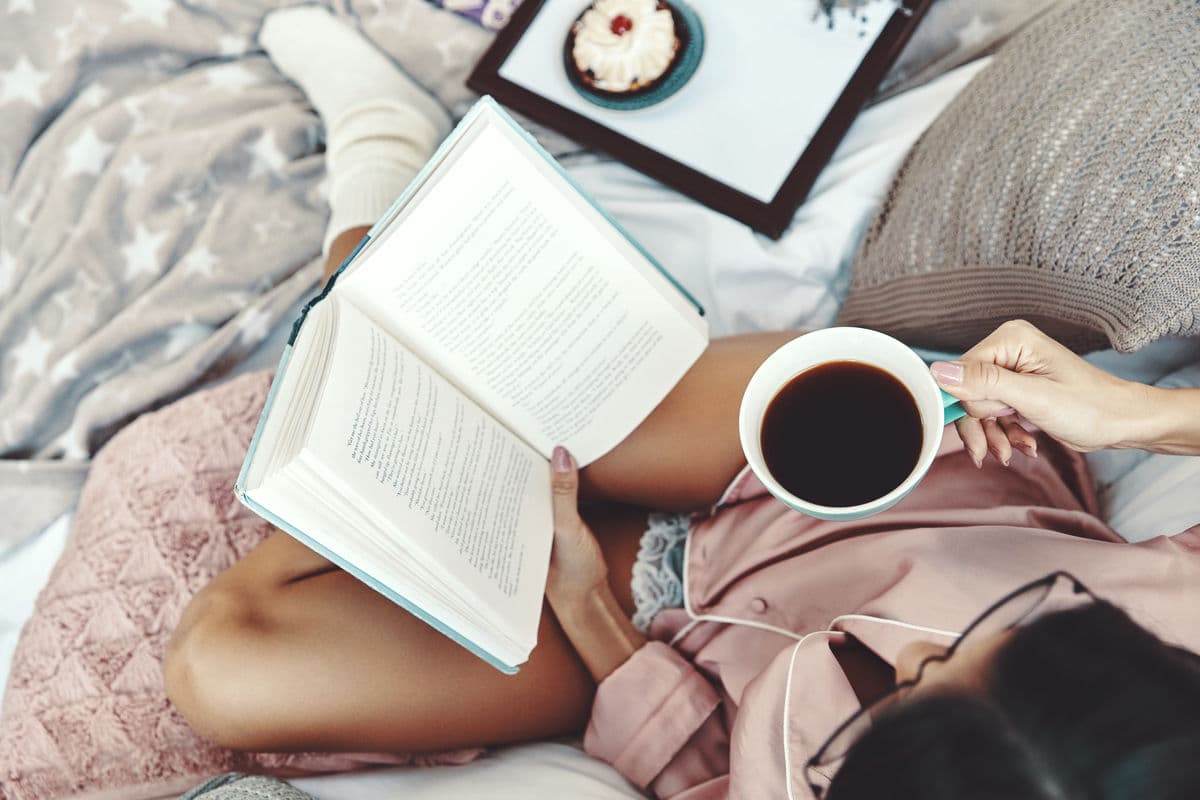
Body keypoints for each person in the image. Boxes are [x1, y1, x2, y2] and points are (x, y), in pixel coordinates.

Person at [164, 7, 1200, 798]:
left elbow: (703, 766)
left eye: (903, 700)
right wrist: (1133, 416)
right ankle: (382, 148)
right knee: (490, 370)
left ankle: (361, 336)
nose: (911, 648)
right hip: (879, 462)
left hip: (657, 621)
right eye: (1002, 633)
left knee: (228, 665)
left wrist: (585, 606)